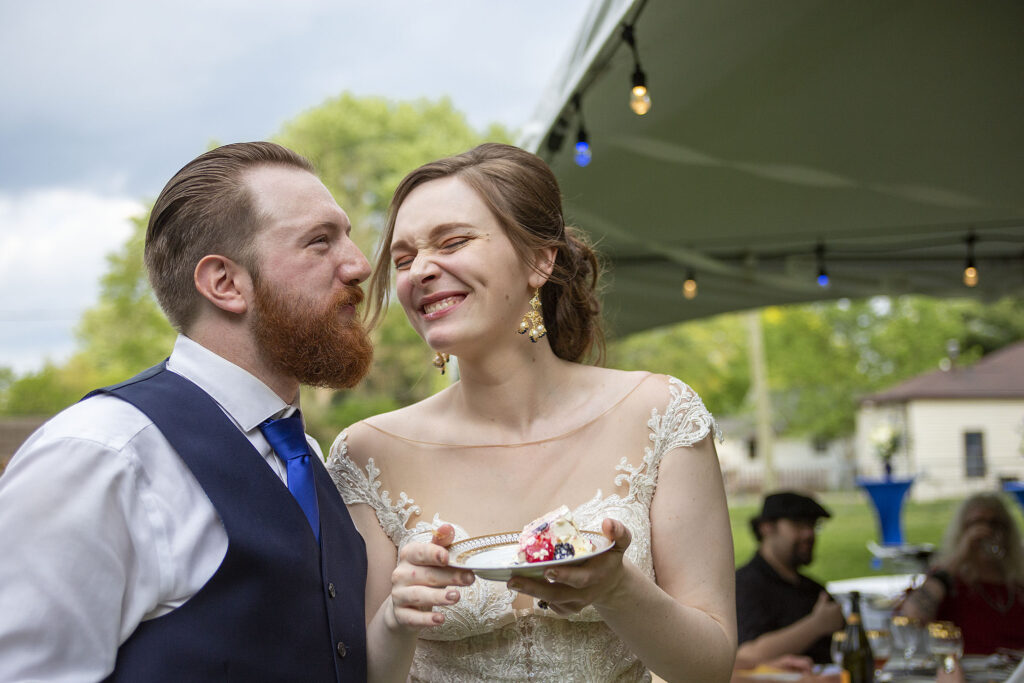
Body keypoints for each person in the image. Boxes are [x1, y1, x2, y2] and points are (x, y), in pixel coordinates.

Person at [0, 141, 458, 681]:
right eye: (319, 243)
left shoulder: (307, 460)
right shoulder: (101, 455)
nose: (359, 265)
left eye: (348, 238)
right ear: (225, 283)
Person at [327, 142, 737, 681]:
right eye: (404, 259)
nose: (420, 271)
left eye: (452, 241)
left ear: (539, 260)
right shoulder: (365, 453)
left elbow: (710, 668)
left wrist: (617, 589)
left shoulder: (662, 414)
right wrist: (395, 621)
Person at [897, 492, 1024, 654]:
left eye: (995, 523)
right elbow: (912, 617)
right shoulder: (948, 577)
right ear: (962, 530)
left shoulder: (1017, 579)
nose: (986, 531)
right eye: (976, 523)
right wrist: (959, 557)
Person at [734, 491, 845, 667]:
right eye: (798, 524)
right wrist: (816, 625)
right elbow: (746, 656)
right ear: (766, 527)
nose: (809, 534)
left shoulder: (813, 589)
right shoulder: (744, 586)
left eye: (813, 525)